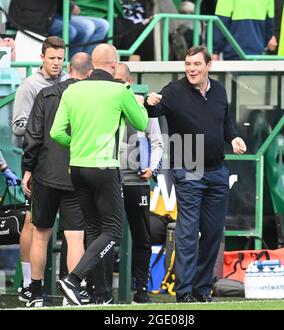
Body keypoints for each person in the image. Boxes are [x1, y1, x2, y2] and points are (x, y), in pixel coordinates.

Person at [146, 46, 247, 302]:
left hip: (217, 172)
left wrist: (234, 137)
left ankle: (202, 290)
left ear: (208, 66)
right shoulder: (174, 91)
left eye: (196, 64)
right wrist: (149, 103)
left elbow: (226, 125)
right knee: (188, 233)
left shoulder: (220, 91)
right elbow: (154, 112)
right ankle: (184, 292)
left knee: (213, 233)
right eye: (188, 64)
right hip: (188, 170)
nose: (191, 69)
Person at [50, 43, 148, 306]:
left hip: (78, 168)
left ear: (92, 65)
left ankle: (102, 294)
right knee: (113, 230)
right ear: (114, 65)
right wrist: (140, 104)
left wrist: (79, 144)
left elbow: (56, 133)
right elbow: (141, 124)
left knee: (94, 230)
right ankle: (74, 279)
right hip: (105, 167)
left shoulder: (73, 89)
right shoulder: (120, 90)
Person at [21, 52, 93, 308]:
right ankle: (70, 295)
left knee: (40, 235)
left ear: (68, 68)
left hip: (46, 174)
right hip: (78, 176)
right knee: (75, 237)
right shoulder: (91, 98)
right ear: (90, 72)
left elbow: (33, 136)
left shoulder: (47, 94)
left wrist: (27, 169)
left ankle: (35, 294)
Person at [91, 63, 163, 304]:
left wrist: (152, 167)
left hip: (136, 181)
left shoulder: (142, 106)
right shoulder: (104, 105)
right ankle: (101, 291)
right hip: (108, 178)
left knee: (142, 235)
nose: (117, 86)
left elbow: (157, 142)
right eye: (113, 81)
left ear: (129, 82)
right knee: (108, 235)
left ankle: (140, 289)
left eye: (121, 81)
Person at [12, 36, 67, 303]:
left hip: (61, 162)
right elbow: (18, 126)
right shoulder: (29, 86)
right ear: (42, 58)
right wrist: (44, 119)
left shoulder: (68, 83)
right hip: (36, 162)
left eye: (60, 58)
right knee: (32, 224)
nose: (56, 63)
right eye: (52, 58)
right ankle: (26, 284)